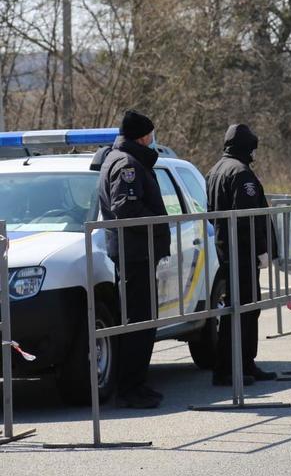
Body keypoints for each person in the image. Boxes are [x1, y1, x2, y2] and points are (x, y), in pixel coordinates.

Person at [98, 109, 171, 409]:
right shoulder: (126, 163)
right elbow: (125, 208)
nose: (153, 142)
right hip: (135, 253)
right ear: (142, 136)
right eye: (151, 136)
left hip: (138, 252)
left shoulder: (123, 159)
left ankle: (137, 384)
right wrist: (156, 221)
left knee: (143, 320)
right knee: (138, 322)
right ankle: (130, 389)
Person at [207, 124, 278, 386]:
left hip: (226, 250)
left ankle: (242, 364)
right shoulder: (240, 173)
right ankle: (233, 367)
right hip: (243, 252)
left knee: (237, 309)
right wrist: (261, 249)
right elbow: (249, 220)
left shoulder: (215, 170)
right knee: (245, 310)